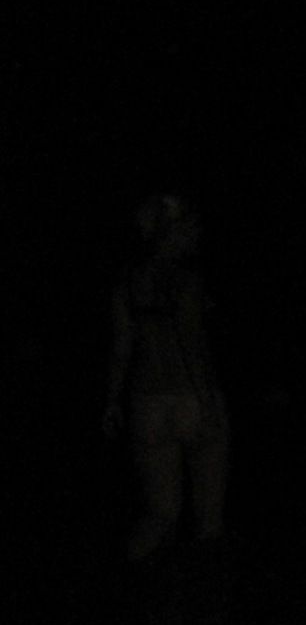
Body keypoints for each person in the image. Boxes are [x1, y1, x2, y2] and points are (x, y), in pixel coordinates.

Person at [103, 193, 228, 563]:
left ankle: (128, 577)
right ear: (174, 233)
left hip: (147, 404)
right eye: (192, 228)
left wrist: (112, 400)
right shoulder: (187, 280)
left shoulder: (127, 281)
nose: (198, 235)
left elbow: (121, 348)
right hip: (191, 399)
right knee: (208, 521)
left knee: (161, 512)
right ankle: (204, 589)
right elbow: (192, 345)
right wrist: (208, 403)